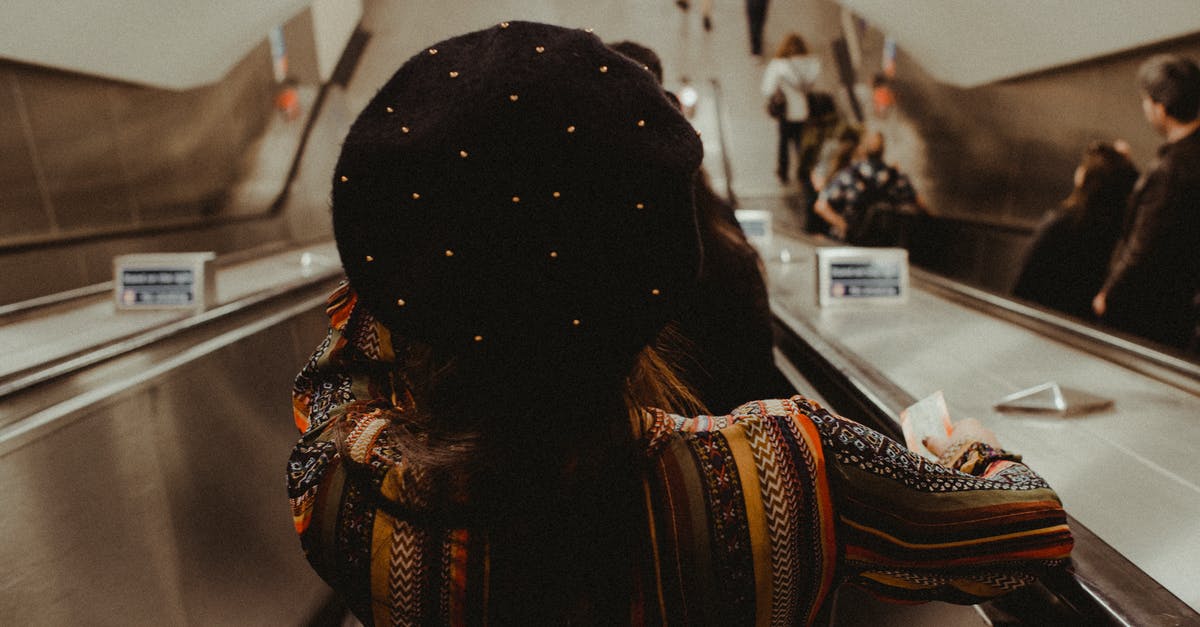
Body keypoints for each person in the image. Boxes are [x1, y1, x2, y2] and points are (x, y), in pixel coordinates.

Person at [287, 22, 1072, 625]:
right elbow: (1028, 532)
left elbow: (342, 363)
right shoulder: (791, 472)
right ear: (664, 261)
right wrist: (966, 448)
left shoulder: (345, 498)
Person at [1093, 54, 1200, 353]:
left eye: (1145, 101)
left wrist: (1109, 294)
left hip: (1146, 310)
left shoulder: (1173, 168)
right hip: (1179, 307)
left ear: (1160, 108)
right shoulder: (1188, 159)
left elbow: (1144, 243)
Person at [1013, 142, 1138, 319]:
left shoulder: (1061, 223)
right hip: (1082, 319)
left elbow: (1025, 281)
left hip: (1044, 313)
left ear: (1085, 177)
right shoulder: (1113, 228)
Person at [813, 130, 924, 246]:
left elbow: (820, 206)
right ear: (883, 151)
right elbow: (920, 205)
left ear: (861, 149)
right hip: (885, 247)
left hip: (850, 243)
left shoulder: (849, 175)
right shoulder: (897, 178)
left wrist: (844, 226)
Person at [761, 33, 821, 185]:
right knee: (801, 143)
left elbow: (767, 89)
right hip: (806, 110)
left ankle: (783, 173)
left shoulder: (779, 65)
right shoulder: (812, 63)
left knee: (783, 143)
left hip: (786, 111)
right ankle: (803, 174)